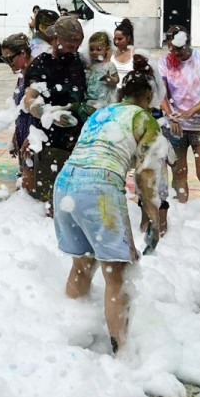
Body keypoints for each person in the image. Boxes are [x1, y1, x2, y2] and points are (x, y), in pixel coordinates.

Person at [54, 54, 164, 354]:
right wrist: (154, 218)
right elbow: (148, 176)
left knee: (82, 263)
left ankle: (72, 342)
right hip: (98, 187)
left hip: (65, 182)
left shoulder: (99, 115)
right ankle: (122, 353)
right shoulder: (144, 119)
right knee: (117, 273)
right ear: (149, 96)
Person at [23, 17, 88, 214]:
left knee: (76, 198)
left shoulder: (80, 61)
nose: (74, 50)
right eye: (69, 46)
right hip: (51, 142)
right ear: (56, 39)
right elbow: (29, 98)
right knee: (52, 197)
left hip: (79, 140)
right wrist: (47, 113)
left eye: (77, 45)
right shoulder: (41, 64)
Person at [158, 26, 200, 219]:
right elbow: (162, 93)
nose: (175, 53)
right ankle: (181, 214)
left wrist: (191, 112)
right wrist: (171, 115)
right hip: (176, 126)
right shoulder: (165, 63)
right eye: (171, 48)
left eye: (179, 48)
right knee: (178, 172)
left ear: (188, 42)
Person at [1, 33, 38, 196]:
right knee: (25, 182)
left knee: (32, 189)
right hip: (24, 134)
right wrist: (16, 135)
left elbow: (40, 111)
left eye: (10, 59)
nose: (8, 64)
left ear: (23, 53)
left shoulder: (36, 73)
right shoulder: (22, 76)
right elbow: (20, 110)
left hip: (35, 137)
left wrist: (32, 138)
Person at [85, 32, 121, 113]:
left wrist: (110, 79)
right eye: (91, 49)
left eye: (98, 49)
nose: (94, 52)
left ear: (107, 49)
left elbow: (117, 80)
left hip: (105, 103)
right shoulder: (91, 66)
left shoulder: (109, 65)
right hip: (92, 101)